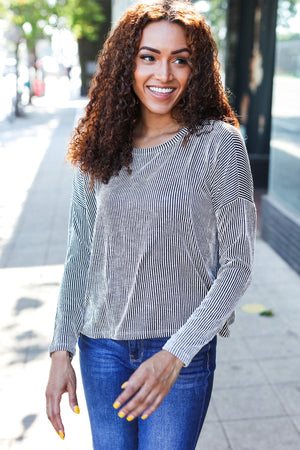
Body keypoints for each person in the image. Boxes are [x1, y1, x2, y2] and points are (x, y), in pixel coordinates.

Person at [46, 1, 256, 449]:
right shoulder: (100, 142)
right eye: (149, 57)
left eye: (180, 59)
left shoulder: (219, 144)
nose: (164, 74)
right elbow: (80, 251)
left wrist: (176, 354)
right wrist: (61, 349)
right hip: (101, 350)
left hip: (179, 352)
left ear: (195, 69)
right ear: (128, 62)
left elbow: (237, 265)